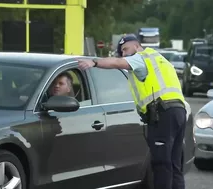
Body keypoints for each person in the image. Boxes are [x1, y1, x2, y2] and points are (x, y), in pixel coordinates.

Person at [77, 34, 187, 189]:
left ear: (136, 46)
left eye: (125, 49)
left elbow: (116, 63)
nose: (124, 54)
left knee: (161, 164)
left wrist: (93, 62)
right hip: (179, 112)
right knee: (174, 164)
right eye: (122, 51)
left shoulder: (140, 58)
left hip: (163, 114)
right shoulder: (161, 60)